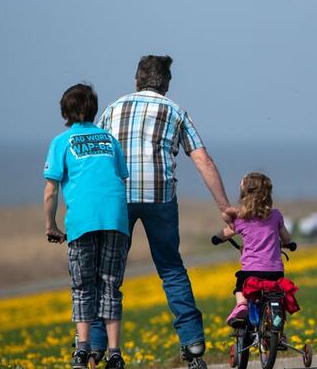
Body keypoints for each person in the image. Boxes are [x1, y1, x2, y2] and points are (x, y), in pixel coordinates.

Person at [91, 55, 238, 369]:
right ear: (166, 83)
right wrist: (225, 207)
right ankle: (193, 346)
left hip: (119, 198)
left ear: (136, 80)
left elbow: (96, 160)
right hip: (160, 197)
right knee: (171, 269)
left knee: (108, 274)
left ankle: (95, 347)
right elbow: (203, 161)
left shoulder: (112, 109)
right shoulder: (175, 111)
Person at [43, 84, 130, 369]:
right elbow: (119, 177)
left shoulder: (62, 141)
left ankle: (82, 350)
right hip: (116, 219)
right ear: (93, 109)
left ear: (64, 112)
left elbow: (51, 190)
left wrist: (51, 225)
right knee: (110, 286)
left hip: (82, 221)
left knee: (83, 286)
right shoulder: (109, 139)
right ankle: (114, 353)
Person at [212, 172, 294, 329]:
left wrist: (217, 239)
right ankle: (278, 330)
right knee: (277, 296)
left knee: (239, 286)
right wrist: (289, 244)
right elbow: (286, 238)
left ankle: (241, 304)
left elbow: (224, 234)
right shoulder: (275, 216)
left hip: (251, 272)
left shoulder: (241, 219)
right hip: (275, 272)